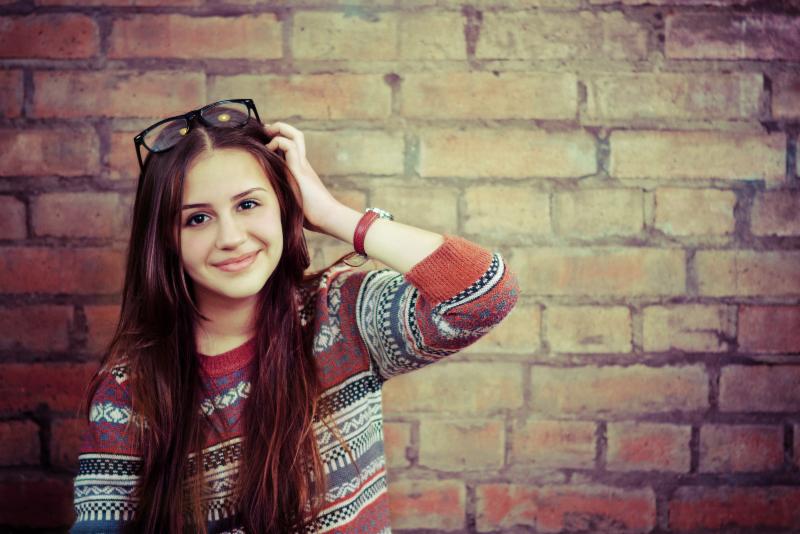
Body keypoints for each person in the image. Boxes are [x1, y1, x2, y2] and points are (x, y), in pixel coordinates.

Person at [70, 98, 520, 533]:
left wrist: (333, 214)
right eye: (197, 219)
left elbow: (484, 295)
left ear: (287, 207)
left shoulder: (342, 318)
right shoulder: (129, 390)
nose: (230, 237)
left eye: (248, 205)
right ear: (166, 240)